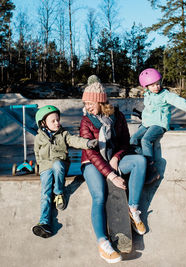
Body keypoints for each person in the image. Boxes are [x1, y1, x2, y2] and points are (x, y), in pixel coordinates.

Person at [80, 80, 147, 263]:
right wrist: (111, 175)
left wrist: (117, 157)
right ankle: (103, 243)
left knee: (139, 162)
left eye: (91, 104)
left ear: (101, 102)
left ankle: (133, 209)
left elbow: (125, 142)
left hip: (112, 159)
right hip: (92, 163)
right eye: (85, 104)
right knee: (99, 196)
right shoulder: (86, 121)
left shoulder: (117, 116)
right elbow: (90, 153)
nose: (87, 108)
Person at [32, 105, 98, 238]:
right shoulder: (38, 138)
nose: (57, 123)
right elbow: (37, 154)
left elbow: (74, 140)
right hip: (46, 167)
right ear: (43, 124)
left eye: (58, 120)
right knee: (45, 192)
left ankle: (59, 193)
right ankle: (44, 222)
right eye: (53, 121)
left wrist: (87, 143)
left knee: (57, 165)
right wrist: (41, 167)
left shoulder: (63, 134)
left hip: (60, 164)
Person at [130, 68, 186, 184]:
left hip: (159, 123)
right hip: (147, 123)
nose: (156, 87)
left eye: (158, 84)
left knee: (146, 140)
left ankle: (152, 171)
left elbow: (177, 101)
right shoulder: (148, 94)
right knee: (133, 140)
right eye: (152, 85)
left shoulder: (165, 95)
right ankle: (142, 162)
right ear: (146, 87)